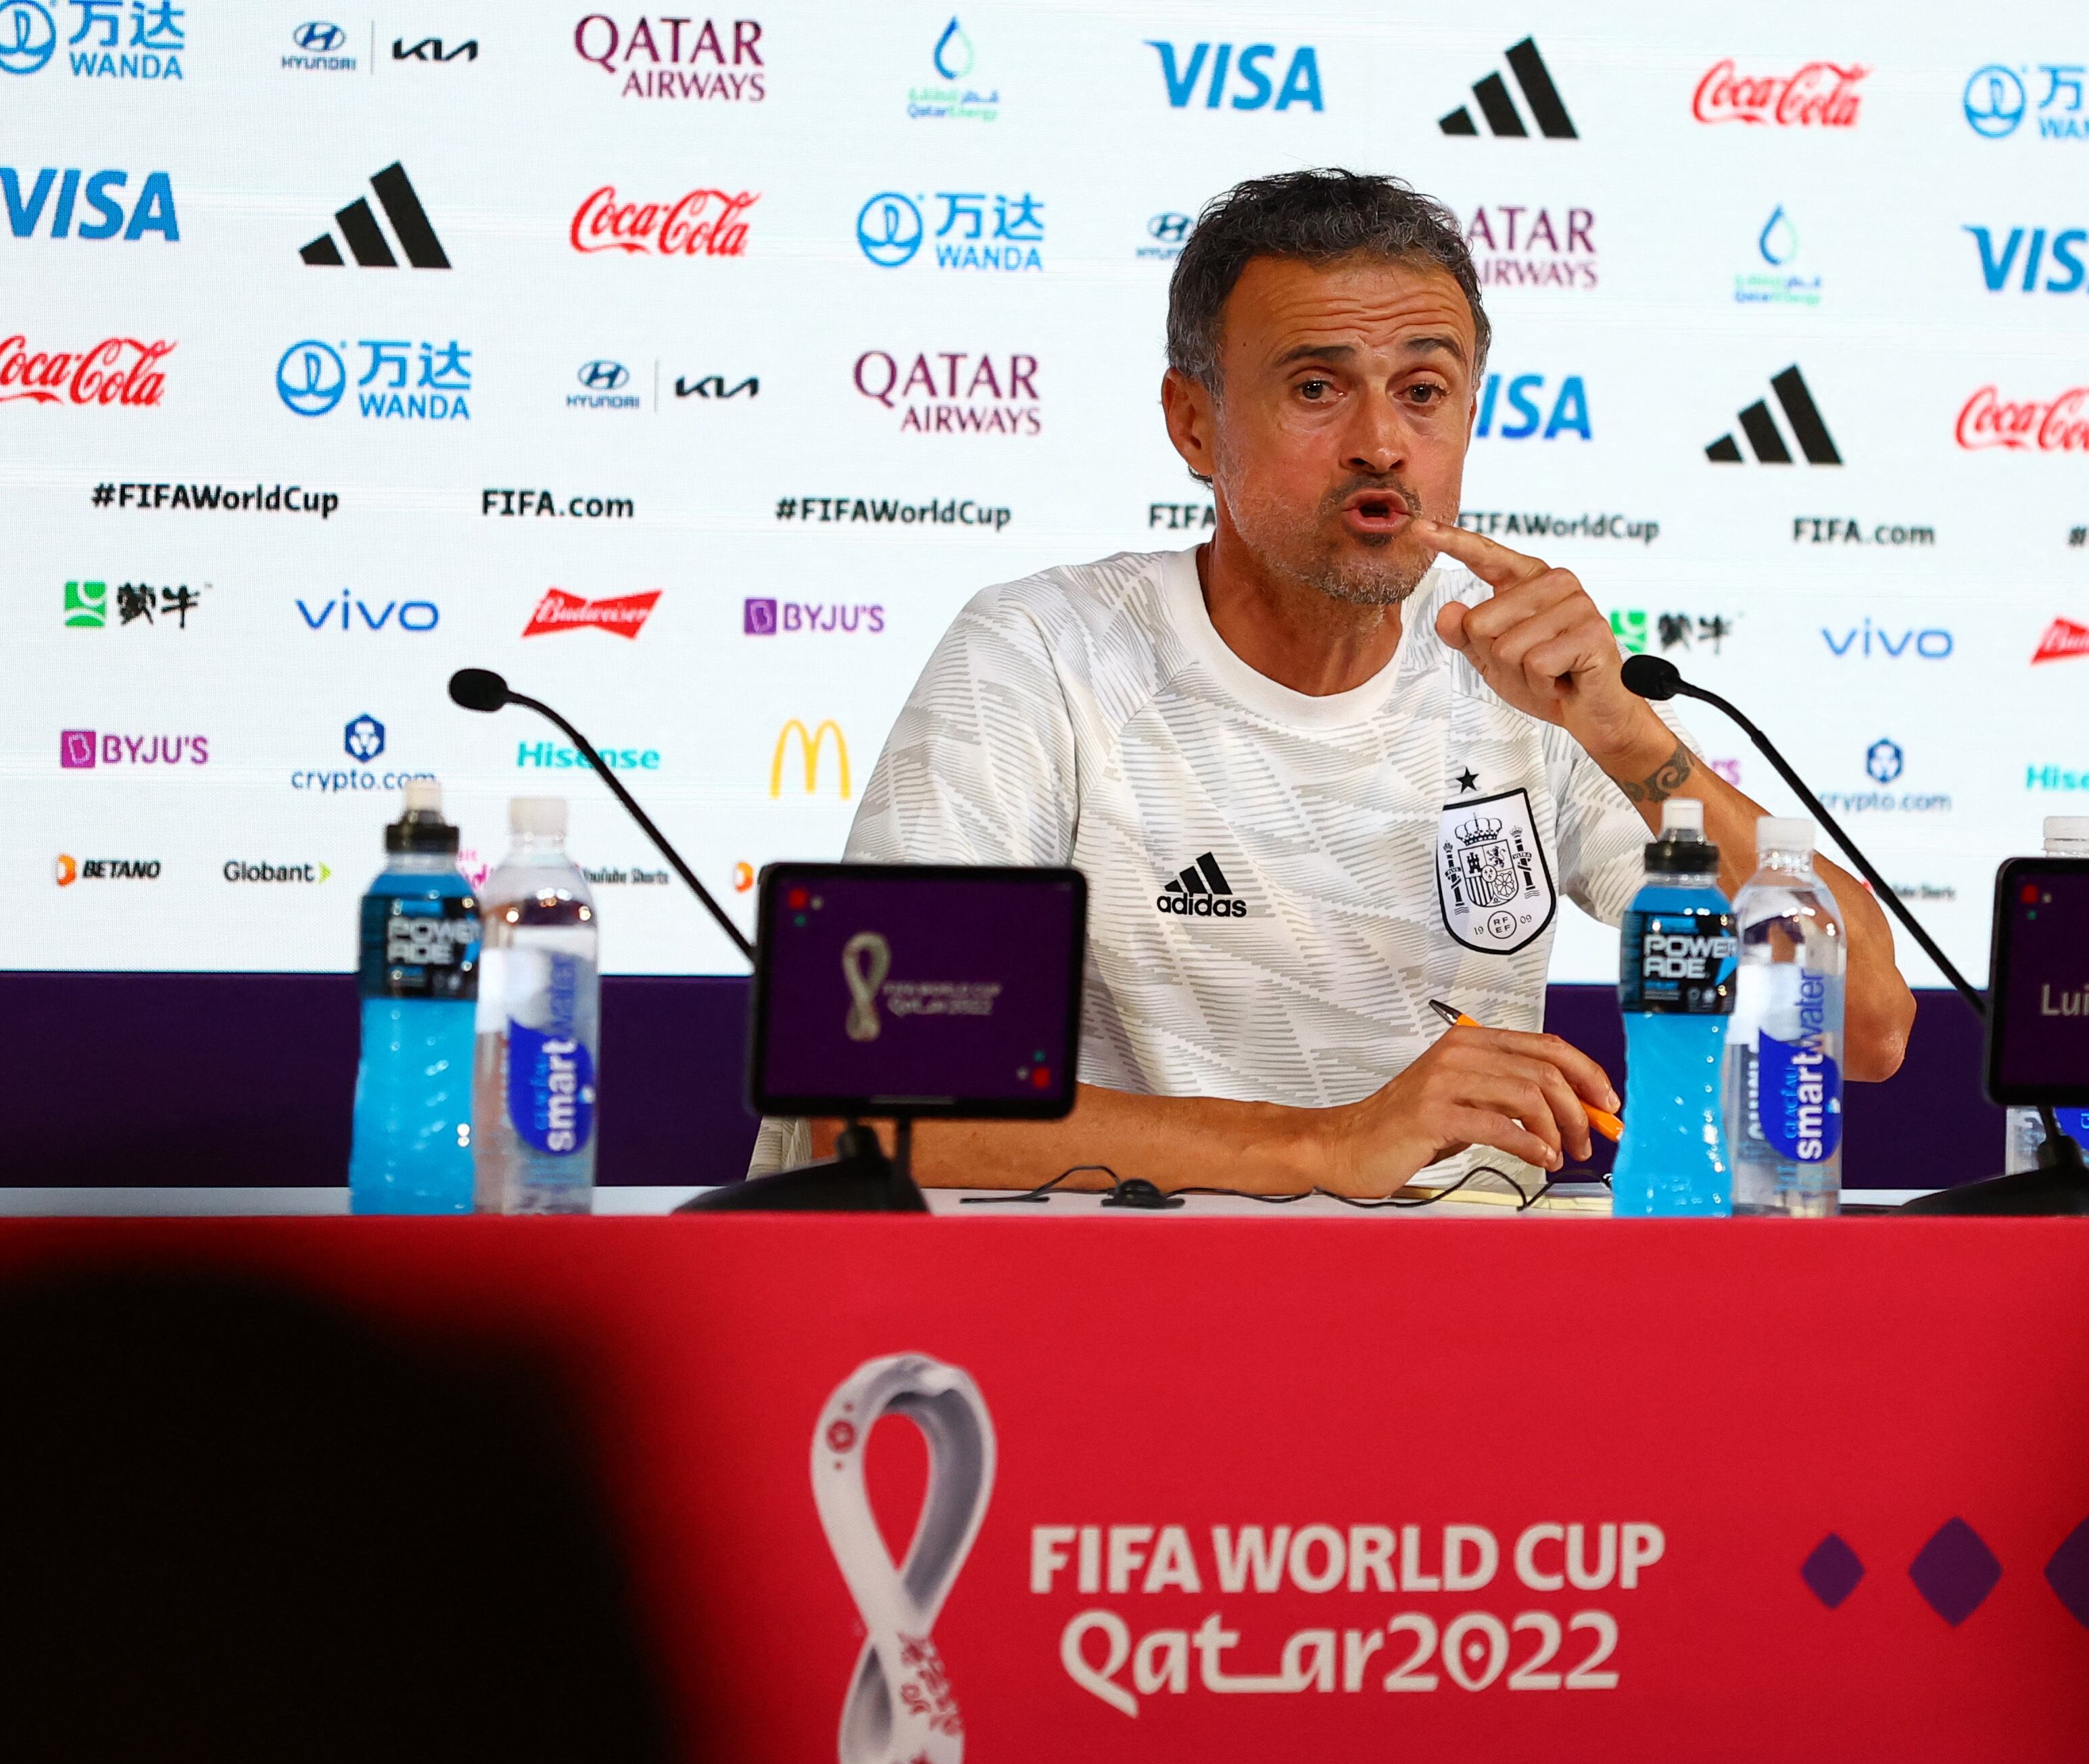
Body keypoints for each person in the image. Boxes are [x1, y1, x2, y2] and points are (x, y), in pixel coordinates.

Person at [755, 169, 1913, 1195]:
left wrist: (1625, 735)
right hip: (1123, 1308)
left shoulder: (1534, 684)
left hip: (1457, 1310)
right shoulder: (1042, 654)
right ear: (1193, 423)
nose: (1381, 443)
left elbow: (1862, 1029)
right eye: (1316, 388)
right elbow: (876, 1113)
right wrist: (1326, 1144)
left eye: (1423, 391)